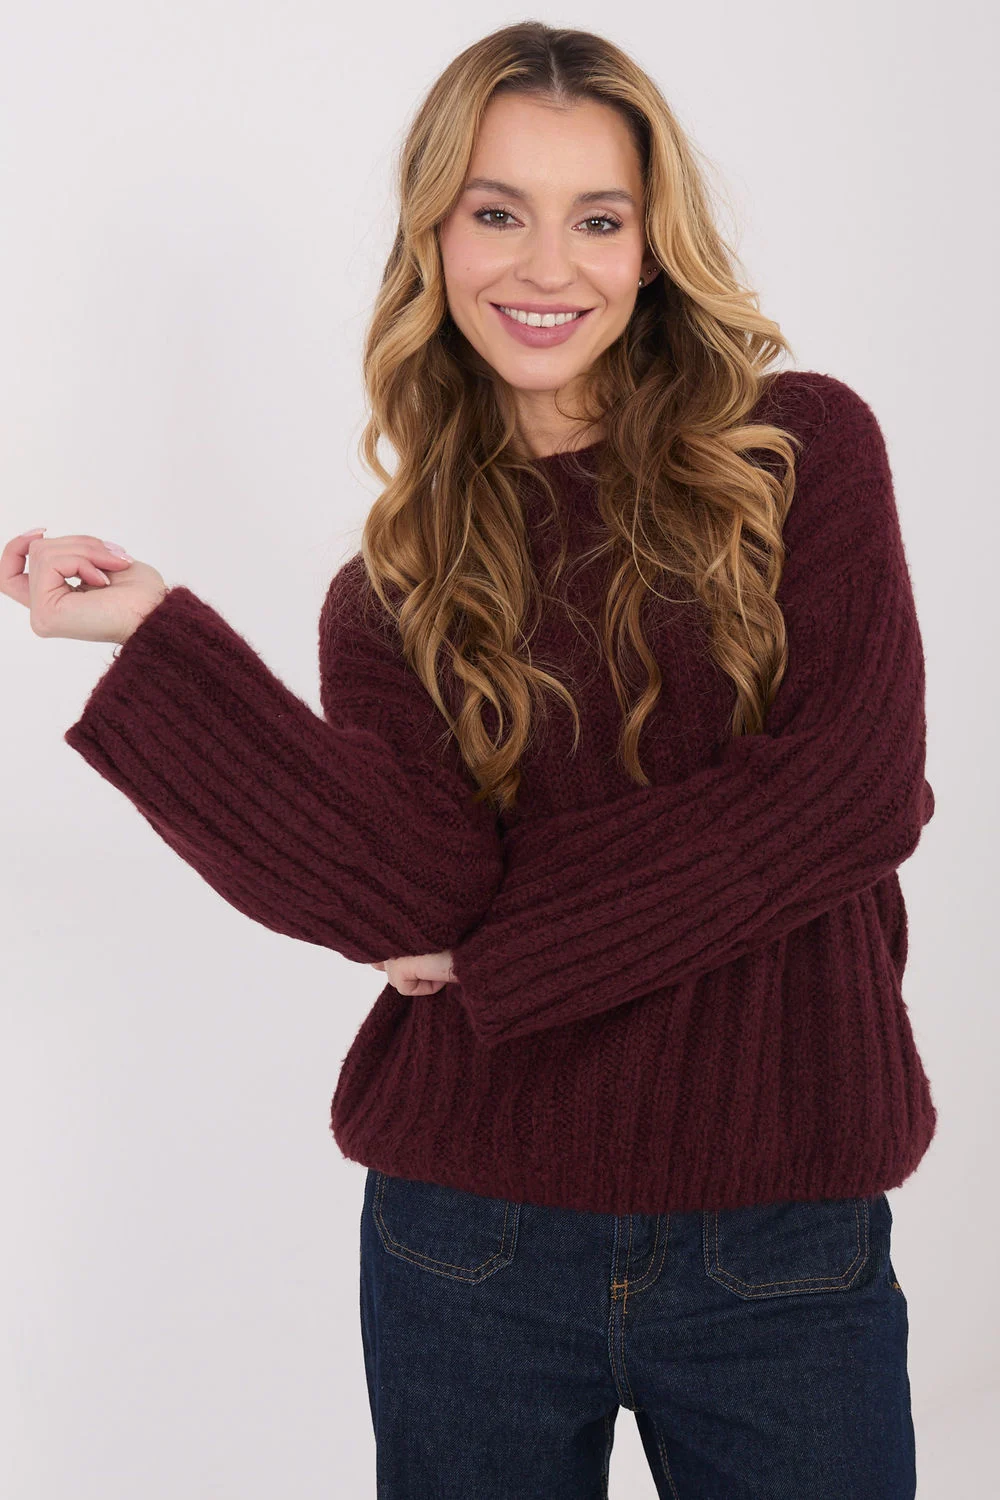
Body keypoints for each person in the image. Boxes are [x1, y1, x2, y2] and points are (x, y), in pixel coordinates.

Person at [2, 20, 936, 1500]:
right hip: (469, 1238)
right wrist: (159, 637)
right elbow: (409, 890)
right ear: (436, 236)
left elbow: (853, 791)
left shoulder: (799, 452)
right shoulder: (393, 589)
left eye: (598, 219)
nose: (547, 266)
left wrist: (501, 950)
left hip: (783, 1240)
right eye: (499, 213)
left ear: (653, 245)